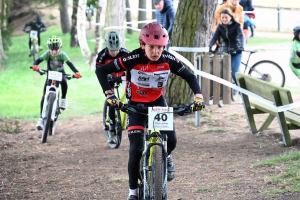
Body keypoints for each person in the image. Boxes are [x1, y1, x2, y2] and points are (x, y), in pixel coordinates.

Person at [95, 22, 205, 200]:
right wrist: (110, 95)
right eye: (152, 47)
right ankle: (132, 192)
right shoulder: (132, 58)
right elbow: (101, 71)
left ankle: (166, 157)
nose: (156, 52)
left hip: (157, 103)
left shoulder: (168, 59)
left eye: (160, 48)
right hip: (135, 105)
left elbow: (190, 76)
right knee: (136, 149)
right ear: (142, 45)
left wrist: (198, 96)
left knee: (172, 141)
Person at [31, 36, 82, 131]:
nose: (54, 52)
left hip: (60, 75)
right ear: (49, 48)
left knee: (64, 81)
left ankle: (63, 99)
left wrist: (77, 72)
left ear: (60, 48)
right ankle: (41, 119)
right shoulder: (47, 54)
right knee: (44, 96)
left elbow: (70, 64)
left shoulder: (63, 55)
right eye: (52, 49)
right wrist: (35, 66)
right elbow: (39, 60)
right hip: (50, 76)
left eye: (56, 49)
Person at [95, 31, 130, 144]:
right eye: (111, 50)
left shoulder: (125, 53)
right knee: (112, 101)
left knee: (131, 95)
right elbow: (99, 72)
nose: (114, 53)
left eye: (116, 50)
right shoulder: (101, 56)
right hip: (108, 79)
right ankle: (112, 127)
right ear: (107, 47)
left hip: (122, 76)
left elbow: (134, 68)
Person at [209, 8, 245, 84]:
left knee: (234, 73)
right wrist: (210, 46)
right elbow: (215, 37)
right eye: (222, 17)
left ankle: (240, 89)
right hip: (225, 51)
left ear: (230, 17)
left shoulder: (236, 25)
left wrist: (241, 47)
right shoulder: (220, 26)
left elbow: (241, 37)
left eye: (226, 17)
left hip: (236, 51)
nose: (224, 19)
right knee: (223, 72)